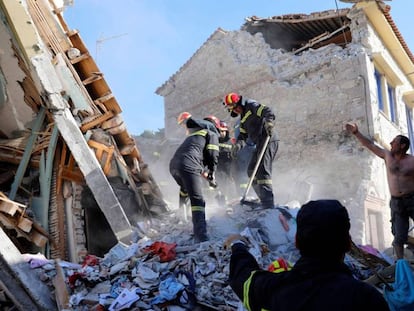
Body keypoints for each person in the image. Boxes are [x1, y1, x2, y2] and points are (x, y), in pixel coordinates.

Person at [224, 199, 390, 311]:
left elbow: (244, 279)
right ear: (347, 244)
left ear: (297, 241)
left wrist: (238, 245)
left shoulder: (274, 289)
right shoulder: (368, 299)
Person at [346, 122, 414, 259]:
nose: (390, 143)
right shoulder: (387, 156)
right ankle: (400, 263)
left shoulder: (412, 161)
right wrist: (356, 133)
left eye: (394, 142)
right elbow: (370, 145)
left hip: (412, 199)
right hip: (397, 202)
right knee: (398, 236)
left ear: (402, 146)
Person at [223, 92, 278, 209]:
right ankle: (263, 199)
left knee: (262, 171)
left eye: (235, 108)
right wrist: (237, 146)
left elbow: (266, 111)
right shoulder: (243, 119)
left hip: (268, 139)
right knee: (251, 171)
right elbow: (243, 136)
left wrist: (269, 123)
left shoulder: (250, 105)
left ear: (239, 104)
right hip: (259, 144)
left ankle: (268, 204)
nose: (235, 111)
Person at [169, 115, 219, 242]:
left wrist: (207, 176)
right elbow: (213, 155)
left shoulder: (194, 136)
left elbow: (194, 162)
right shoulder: (210, 133)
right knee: (198, 200)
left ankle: (182, 216)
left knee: (185, 188)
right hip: (188, 166)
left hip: (174, 166)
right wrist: (212, 172)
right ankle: (201, 235)